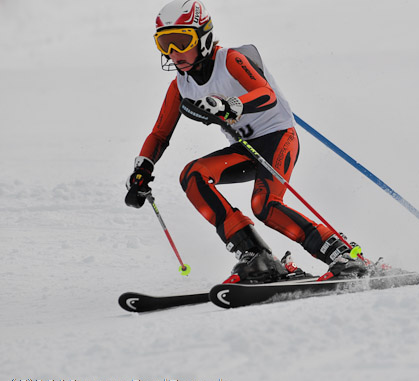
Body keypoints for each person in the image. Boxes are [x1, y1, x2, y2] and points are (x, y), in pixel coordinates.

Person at [125, 0, 367, 284]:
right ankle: (257, 257)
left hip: (278, 137)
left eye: (181, 41)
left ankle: (344, 255)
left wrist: (230, 105)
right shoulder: (181, 84)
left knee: (265, 205)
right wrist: (143, 169)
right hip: (246, 148)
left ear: (203, 37)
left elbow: (266, 94)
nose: (173, 53)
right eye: (164, 43)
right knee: (193, 175)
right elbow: (159, 134)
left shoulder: (229, 60)